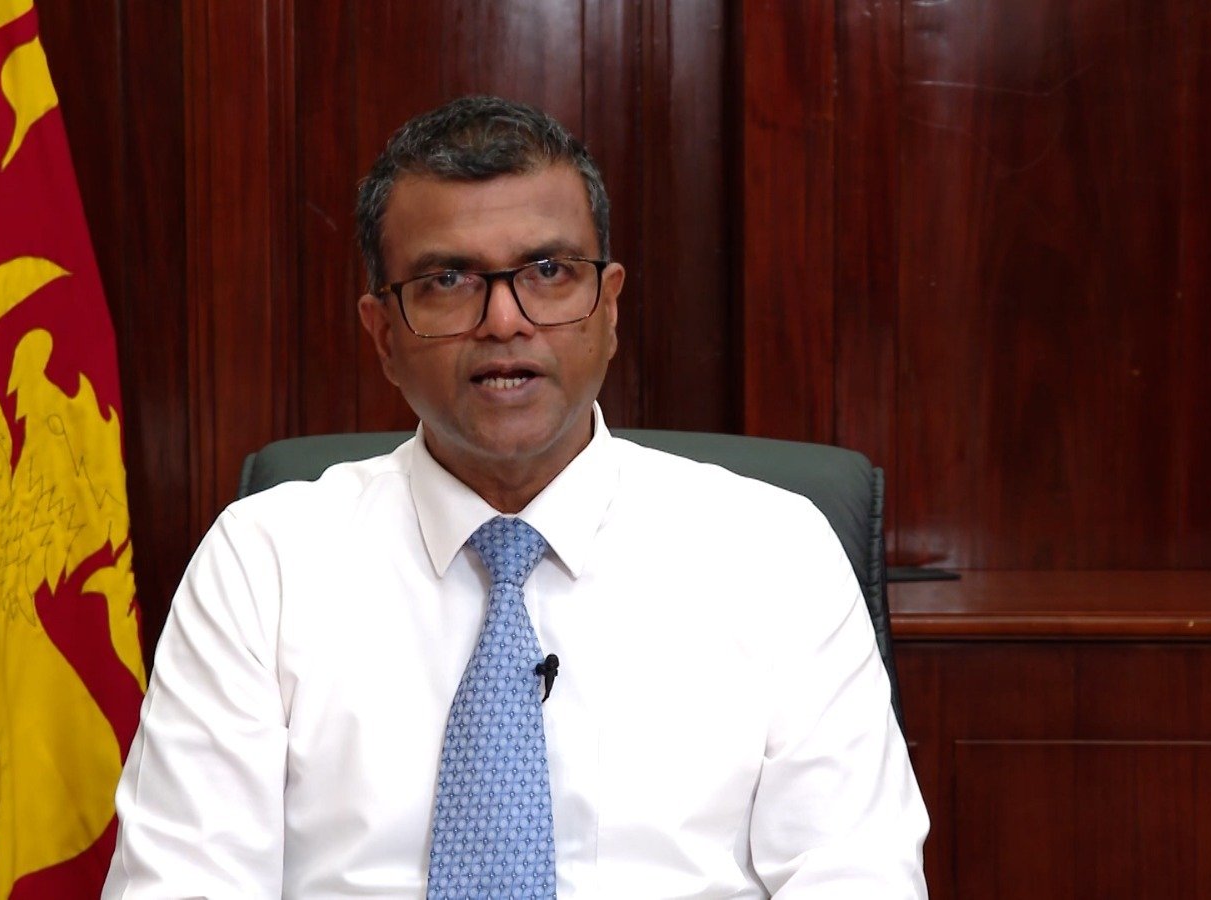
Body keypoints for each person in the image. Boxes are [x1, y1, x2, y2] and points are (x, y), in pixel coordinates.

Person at [104, 95, 928, 898]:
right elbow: (184, 883)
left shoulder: (776, 553)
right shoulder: (264, 564)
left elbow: (855, 877)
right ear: (383, 335)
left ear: (609, 308)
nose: (504, 321)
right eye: (448, 280)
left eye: (548, 271)